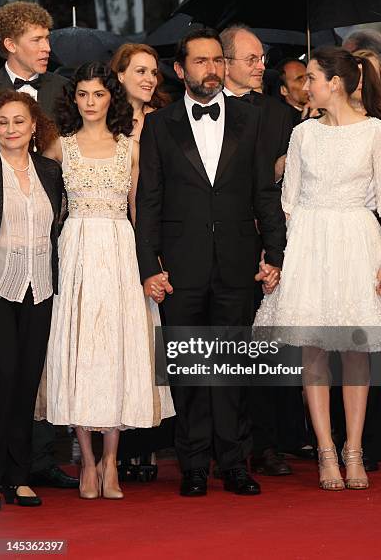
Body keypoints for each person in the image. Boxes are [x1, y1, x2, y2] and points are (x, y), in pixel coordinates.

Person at [136, 28, 286, 497]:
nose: (212, 69)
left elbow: (265, 191)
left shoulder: (252, 118)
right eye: (201, 61)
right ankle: (194, 464)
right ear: (180, 70)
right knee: (189, 369)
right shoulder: (160, 125)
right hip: (181, 264)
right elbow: (149, 199)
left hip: (239, 260)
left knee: (232, 367)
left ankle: (235, 463)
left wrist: (276, 253)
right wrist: (148, 264)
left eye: (218, 60)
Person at [254, 46, 381, 491]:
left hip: (359, 243)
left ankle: (353, 449)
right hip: (309, 243)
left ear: (334, 83)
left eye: (313, 79)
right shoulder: (304, 134)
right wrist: (278, 257)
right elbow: (289, 202)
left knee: (357, 350)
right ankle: (325, 450)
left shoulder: (376, 132)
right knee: (314, 351)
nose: (307, 86)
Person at [44, 62, 174, 500]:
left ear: (110, 98)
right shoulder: (60, 148)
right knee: (79, 349)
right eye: (83, 95)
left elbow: (142, 213)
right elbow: (49, 211)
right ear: (73, 99)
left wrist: (151, 265)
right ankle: (86, 462)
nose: (91, 103)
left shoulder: (129, 148)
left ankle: (112, 463)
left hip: (120, 250)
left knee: (119, 349)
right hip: (77, 248)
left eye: (98, 94)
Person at [220, 25, 313, 476]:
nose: (262, 66)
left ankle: (269, 441)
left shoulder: (280, 114)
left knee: (269, 344)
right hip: (217, 242)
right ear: (226, 63)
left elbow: (290, 182)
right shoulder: (201, 111)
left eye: (262, 59)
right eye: (253, 59)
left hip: (270, 240)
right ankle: (223, 444)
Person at [0, 0, 78, 490]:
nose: (48, 48)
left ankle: (34, 462)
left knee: (34, 373)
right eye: (37, 40)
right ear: (10, 44)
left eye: (49, 40)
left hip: (41, 270)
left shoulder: (59, 91)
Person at [110, 43, 174, 481]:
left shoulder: (164, 124)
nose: (150, 79)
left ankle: (146, 444)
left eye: (154, 72)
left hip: (157, 239)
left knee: (149, 338)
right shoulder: (104, 125)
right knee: (118, 339)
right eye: (140, 71)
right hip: (113, 242)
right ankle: (116, 445)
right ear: (119, 76)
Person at [343, 30, 381, 470]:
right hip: (363, 238)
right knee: (362, 340)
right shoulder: (322, 127)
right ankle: (368, 439)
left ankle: (379, 434)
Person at [0, 90, 61, 509]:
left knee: (25, 385)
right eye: (2, 122)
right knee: (1, 382)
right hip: (0, 287)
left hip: (40, 289)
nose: (10, 129)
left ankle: (17, 477)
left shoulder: (50, 171)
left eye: (18, 121)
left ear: (34, 125)